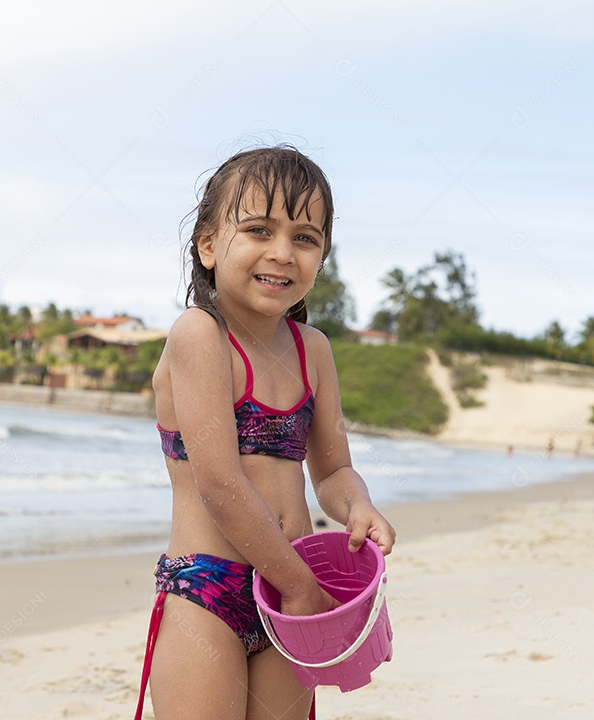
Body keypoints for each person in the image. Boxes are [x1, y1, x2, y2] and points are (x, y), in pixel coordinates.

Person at [133, 145, 396, 720]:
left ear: (322, 257)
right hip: (208, 590)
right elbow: (219, 484)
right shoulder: (198, 335)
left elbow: (330, 469)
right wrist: (299, 585)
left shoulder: (314, 351)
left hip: (291, 590)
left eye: (305, 237)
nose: (282, 253)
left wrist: (357, 504)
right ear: (207, 245)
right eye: (258, 229)